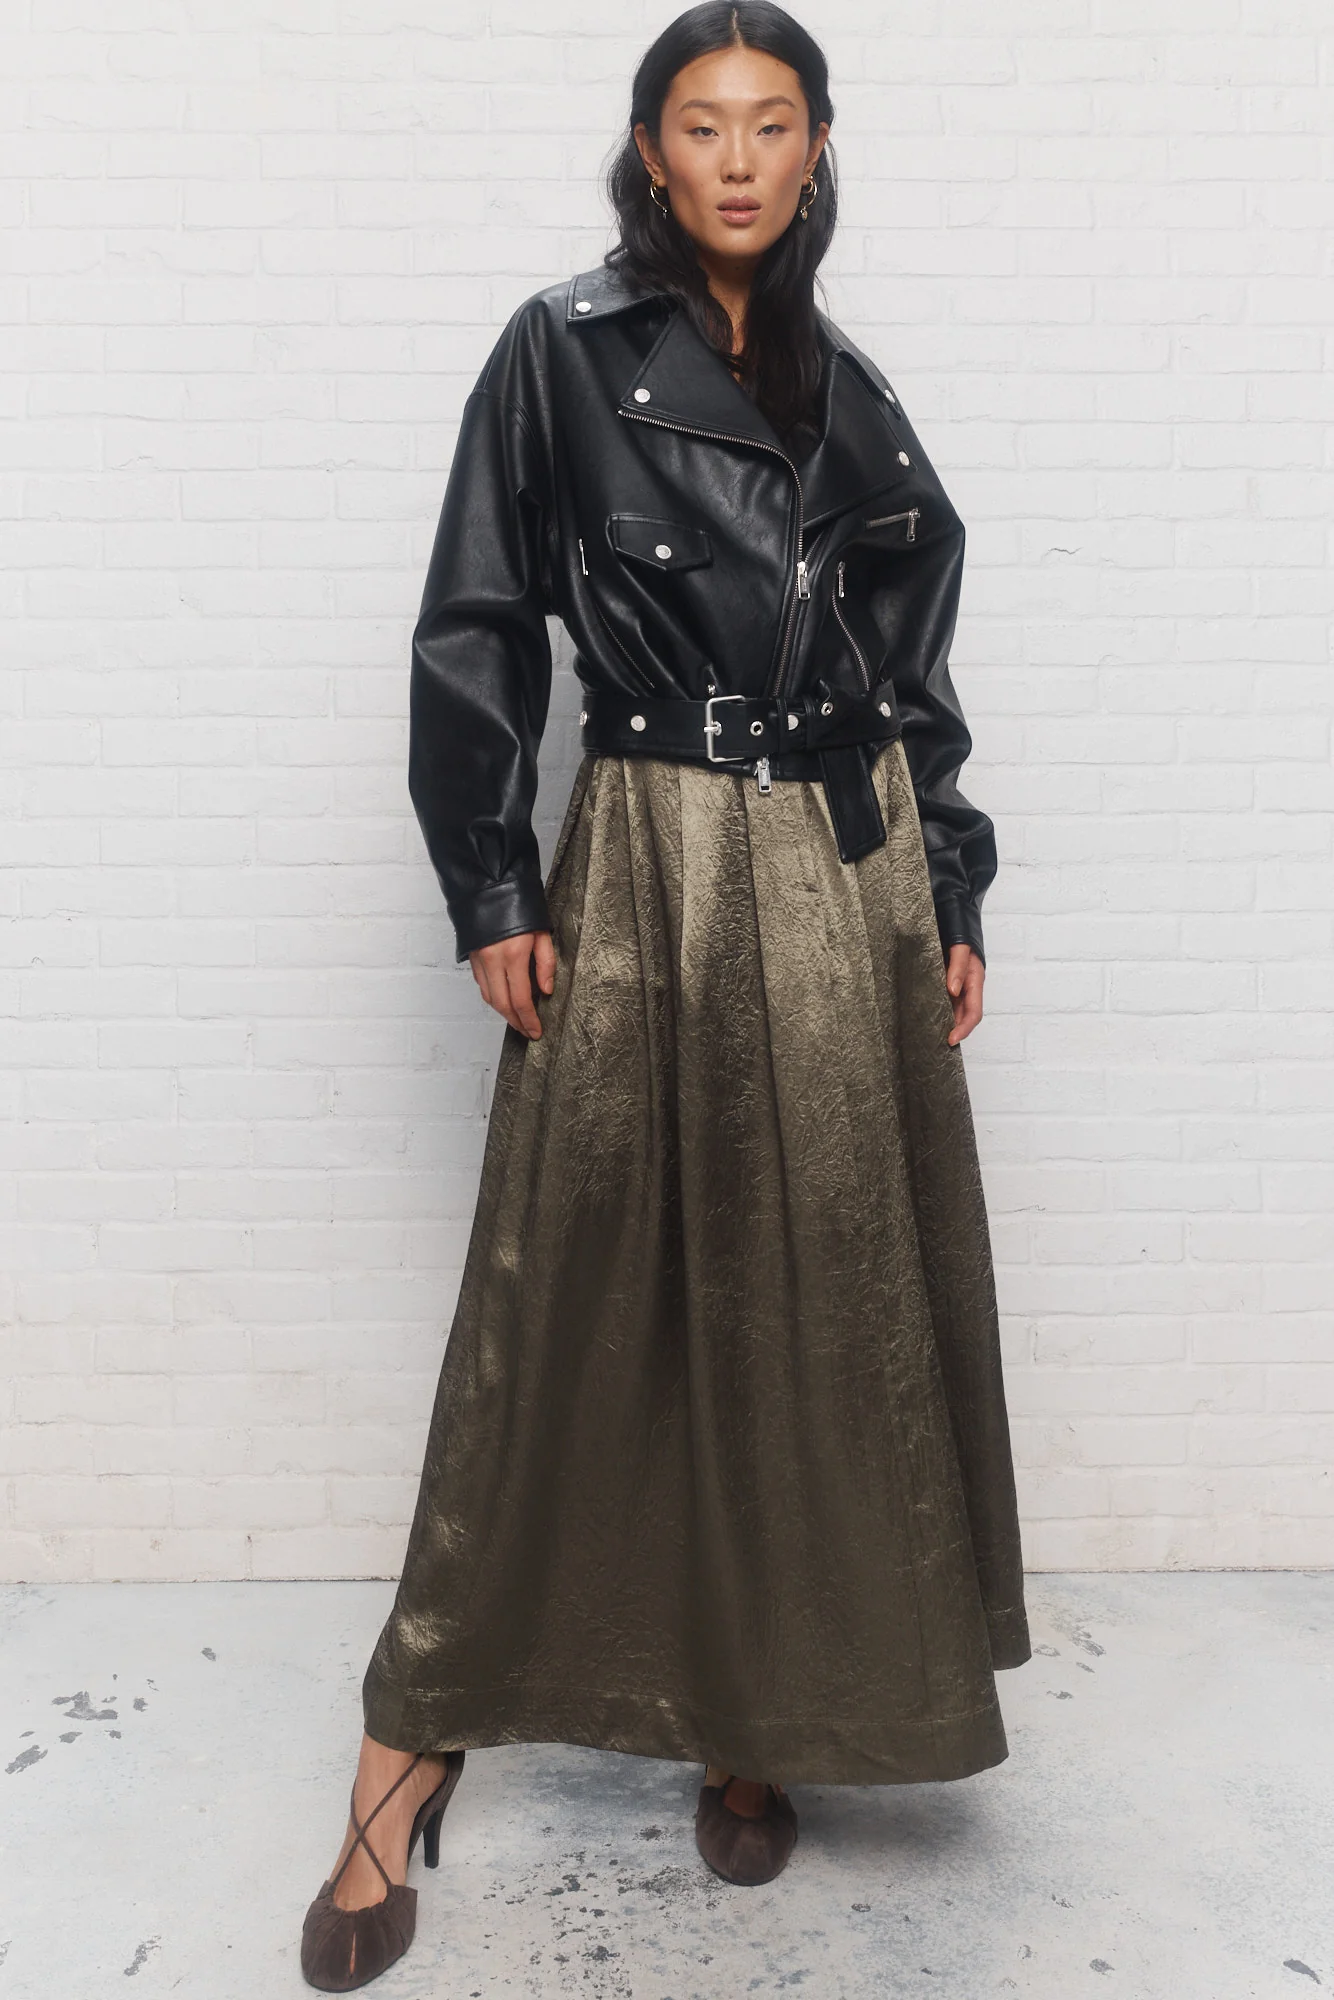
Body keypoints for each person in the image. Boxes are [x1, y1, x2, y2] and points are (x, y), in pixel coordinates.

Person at [299, 4, 1030, 1988]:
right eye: (699, 125)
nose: (734, 159)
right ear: (648, 151)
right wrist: (489, 880)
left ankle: (747, 1720)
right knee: (566, 1288)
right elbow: (474, 622)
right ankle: (400, 1762)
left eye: (769, 124)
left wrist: (948, 879)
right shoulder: (562, 348)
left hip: (846, 871)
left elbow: (912, 676)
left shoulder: (847, 390)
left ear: (814, 152)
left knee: (802, 1296)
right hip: (646, 851)